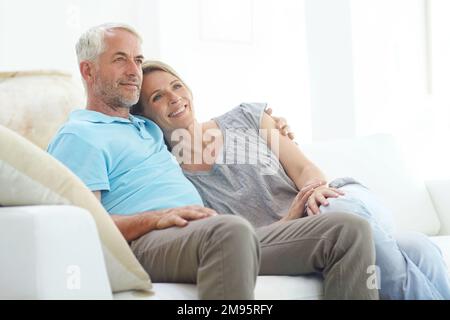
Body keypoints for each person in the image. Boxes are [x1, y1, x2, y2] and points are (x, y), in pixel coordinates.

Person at [48, 23, 379, 300]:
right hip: (149, 241)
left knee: (347, 230)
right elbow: (83, 224)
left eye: (137, 59)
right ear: (87, 70)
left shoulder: (146, 127)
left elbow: (193, 126)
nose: (134, 70)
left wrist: (268, 125)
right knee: (228, 230)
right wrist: (155, 218)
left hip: (211, 233)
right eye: (120, 59)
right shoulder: (80, 136)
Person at [131, 59, 450, 300]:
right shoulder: (172, 177)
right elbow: (235, 238)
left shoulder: (245, 117)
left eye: (175, 85)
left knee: (332, 212)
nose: (173, 98)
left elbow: (303, 169)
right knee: (418, 248)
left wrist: (314, 191)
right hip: (294, 234)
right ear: (145, 117)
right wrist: (289, 219)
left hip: (334, 200)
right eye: (157, 97)